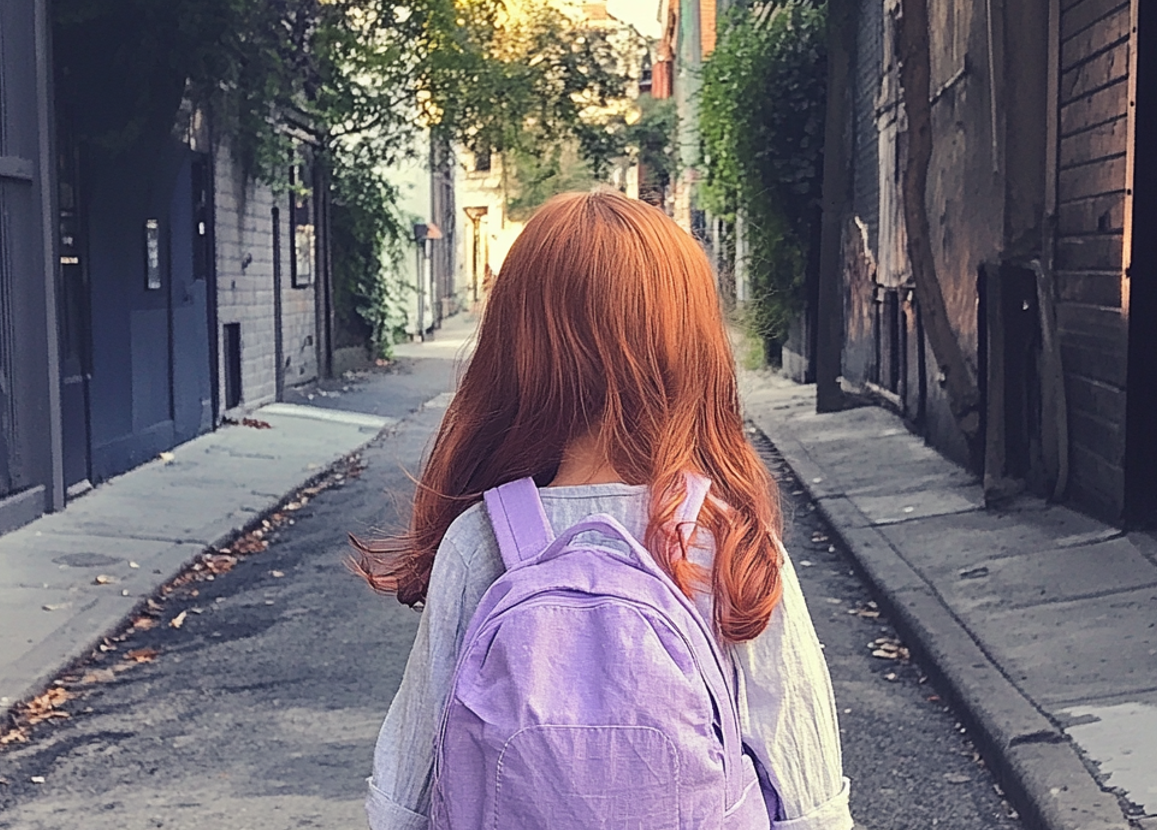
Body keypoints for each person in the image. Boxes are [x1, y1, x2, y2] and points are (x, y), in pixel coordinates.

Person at [355, 188, 852, 830]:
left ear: (513, 348)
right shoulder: (720, 538)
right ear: (692, 346)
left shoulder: (479, 543)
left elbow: (406, 788)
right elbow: (805, 786)